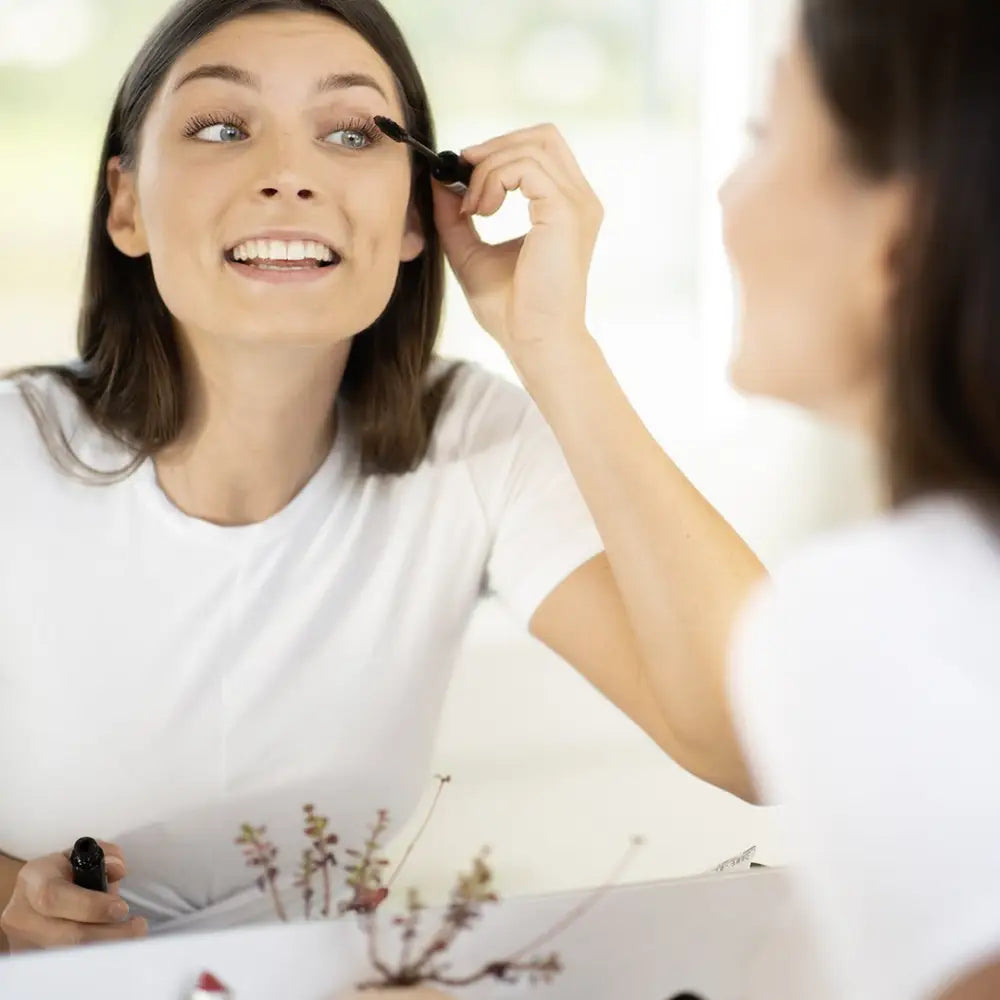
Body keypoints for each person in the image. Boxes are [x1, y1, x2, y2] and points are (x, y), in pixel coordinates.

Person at [0, 0, 763, 955]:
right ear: (126, 203)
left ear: (416, 212)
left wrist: (554, 345)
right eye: (223, 128)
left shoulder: (471, 441)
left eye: (353, 133)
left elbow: (769, 740)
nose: (288, 176)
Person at [346, 0, 1000, 998]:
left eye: (762, 137)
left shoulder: (889, 613)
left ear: (896, 234)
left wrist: (551, 344)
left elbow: (746, 731)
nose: (727, 195)